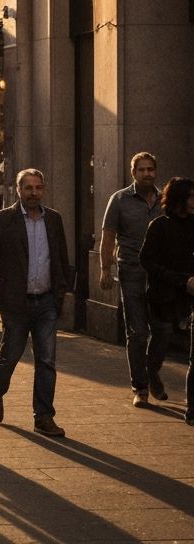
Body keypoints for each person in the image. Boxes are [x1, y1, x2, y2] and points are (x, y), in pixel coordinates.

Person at [0, 168, 72, 438]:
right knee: (10, 355)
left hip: (46, 301)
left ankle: (43, 417)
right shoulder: (3, 219)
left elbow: (61, 258)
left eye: (38, 188)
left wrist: (63, 291)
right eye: (28, 188)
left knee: (46, 360)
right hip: (15, 302)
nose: (34, 193)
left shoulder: (53, 219)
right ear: (18, 190)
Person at [99, 152, 166, 406]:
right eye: (142, 170)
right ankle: (140, 388)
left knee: (162, 329)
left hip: (161, 276)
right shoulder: (119, 200)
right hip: (132, 272)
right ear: (133, 173)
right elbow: (107, 236)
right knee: (137, 332)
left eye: (151, 169)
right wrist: (105, 269)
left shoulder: (165, 200)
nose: (147, 173)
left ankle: (151, 372)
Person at [139, 177, 194, 425]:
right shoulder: (159, 226)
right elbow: (147, 260)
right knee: (161, 338)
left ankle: (190, 407)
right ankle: (152, 372)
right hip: (164, 295)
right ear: (179, 200)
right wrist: (179, 279)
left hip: (189, 296)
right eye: (191, 197)